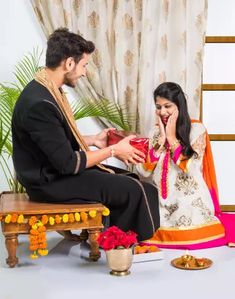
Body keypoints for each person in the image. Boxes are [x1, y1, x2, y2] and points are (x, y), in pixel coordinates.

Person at [11, 28, 160, 242]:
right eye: (84, 65)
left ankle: (114, 240)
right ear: (69, 63)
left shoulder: (46, 90)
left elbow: (54, 141)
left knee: (131, 178)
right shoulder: (39, 103)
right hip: (48, 184)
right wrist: (114, 149)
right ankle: (125, 246)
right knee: (134, 189)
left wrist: (94, 140)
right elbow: (68, 164)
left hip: (54, 174)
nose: (84, 72)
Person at [137, 82, 235, 249]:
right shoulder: (154, 132)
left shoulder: (196, 129)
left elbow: (188, 166)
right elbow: (143, 171)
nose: (162, 112)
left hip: (189, 197)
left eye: (168, 106)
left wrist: (171, 137)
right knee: (145, 227)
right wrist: (161, 140)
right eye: (158, 107)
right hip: (160, 198)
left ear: (179, 105)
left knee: (187, 227)